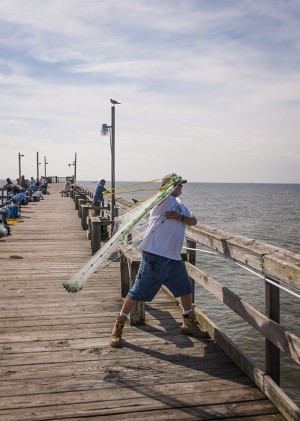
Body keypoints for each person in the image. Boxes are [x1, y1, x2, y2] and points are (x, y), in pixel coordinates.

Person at [110, 174, 209, 348]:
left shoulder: (180, 205)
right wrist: (166, 189)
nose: (181, 188)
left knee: (185, 289)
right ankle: (118, 326)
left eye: (181, 185)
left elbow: (193, 221)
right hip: (155, 256)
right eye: (178, 185)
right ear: (169, 186)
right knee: (137, 291)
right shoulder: (162, 200)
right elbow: (157, 199)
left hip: (174, 257)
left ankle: (188, 323)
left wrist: (181, 218)